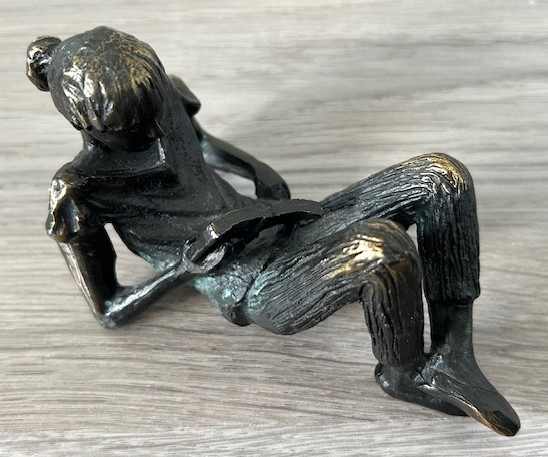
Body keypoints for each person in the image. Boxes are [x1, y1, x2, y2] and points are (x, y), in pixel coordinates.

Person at [27, 26, 519, 436]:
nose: (157, 133)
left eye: (155, 112)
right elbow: (109, 310)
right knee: (384, 252)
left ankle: (455, 347)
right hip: (252, 281)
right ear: (86, 126)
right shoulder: (79, 190)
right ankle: (405, 372)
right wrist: (186, 268)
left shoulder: (158, 97)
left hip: (279, 220)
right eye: (133, 132)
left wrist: (256, 170)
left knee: (441, 177)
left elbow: (201, 143)